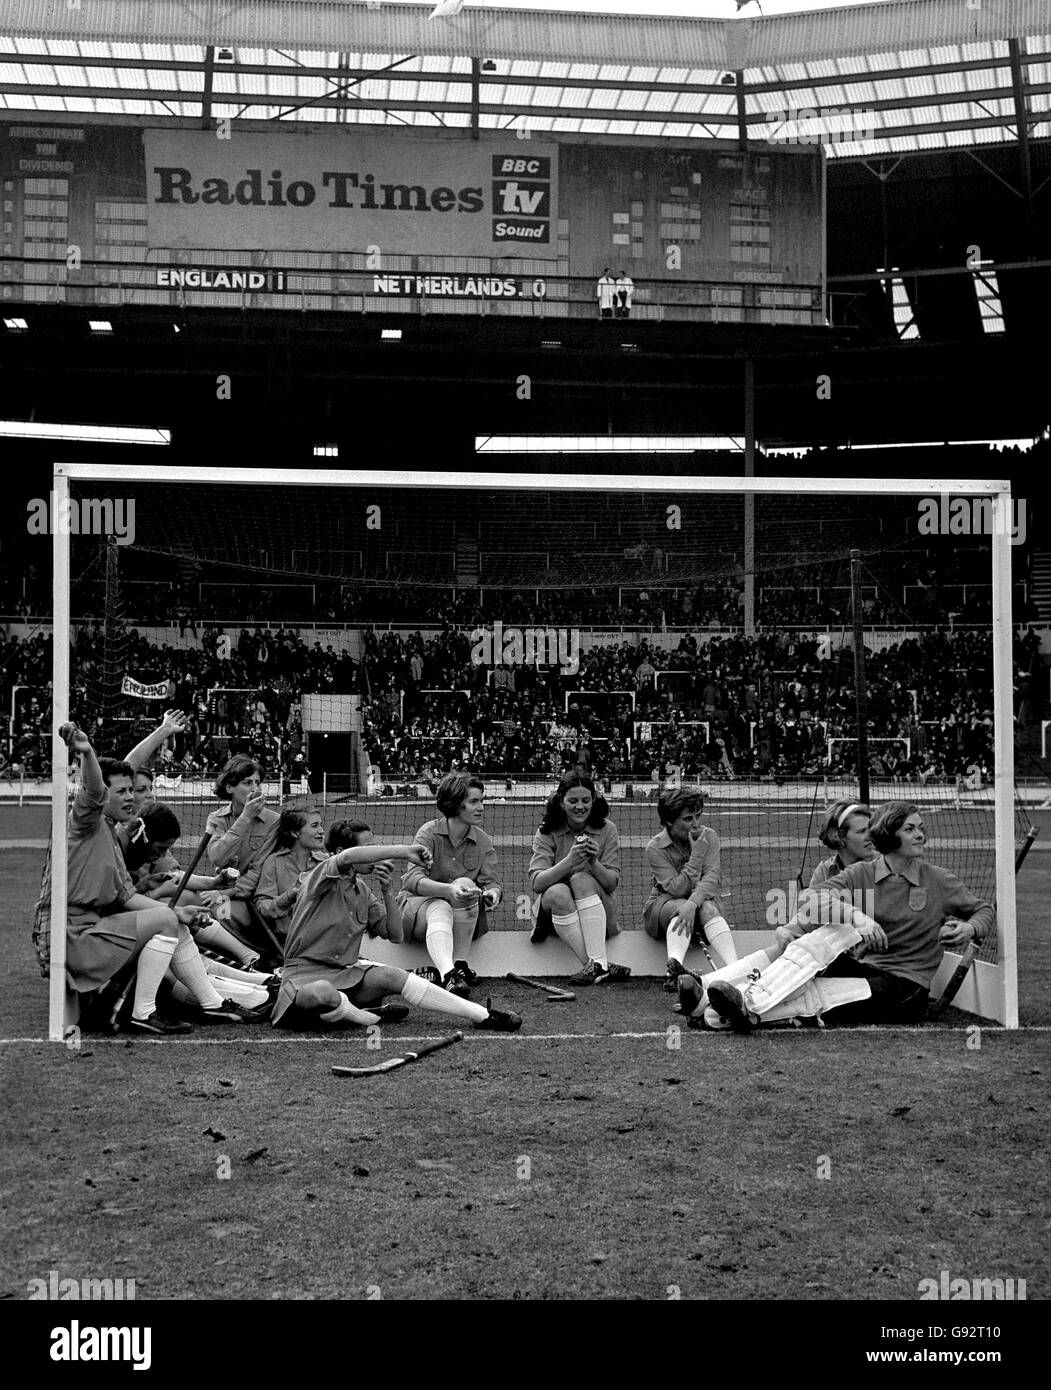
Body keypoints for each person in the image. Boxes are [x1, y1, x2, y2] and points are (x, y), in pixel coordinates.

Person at [693, 801, 994, 1031]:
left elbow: (983, 910)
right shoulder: (861, 873)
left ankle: (730, 1011)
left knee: (823, 993)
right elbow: (810, 899)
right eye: (910, 829)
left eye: (920, 827)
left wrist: (970, 929)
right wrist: (857, 918)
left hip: (905, 989)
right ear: (890, 836)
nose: (921, 835)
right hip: (868, 969)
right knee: (820, 937)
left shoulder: (938, 880)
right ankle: (726, 1000)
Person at [57, 724, 252, 1035]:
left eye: (133, 790)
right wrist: (88, 752)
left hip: (92, 928)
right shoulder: (88, 822)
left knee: (171, 919)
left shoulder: (107, 833)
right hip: (75, 936)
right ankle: (145, 1012)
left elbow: (127, 897)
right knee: (169, 921)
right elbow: (97, 787)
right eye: (121, 792)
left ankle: (217, 998)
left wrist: (177, 913)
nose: (132, 798)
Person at [271, 820, 521, 1033]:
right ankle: (368, 1017)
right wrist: (404, 851)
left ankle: (483, 1015)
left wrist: (388, 891)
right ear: (339, 850)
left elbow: (396, 935)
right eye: (368, 848)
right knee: (322, 993)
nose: (376, 854)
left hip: (344, 975)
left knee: (391, 974)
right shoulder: (322, 874)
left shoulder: (362, 889)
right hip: (303, 980)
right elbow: (346, 858)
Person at [397, 772, 503, 997]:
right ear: (455, 804)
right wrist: (448, 890)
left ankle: (458, 967)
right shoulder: (428, 832)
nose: (481, 807)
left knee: (464, 885)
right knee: (443, 903)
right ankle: (450, 974)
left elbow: (492, 883)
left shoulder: (483, 840)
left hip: (461, 915)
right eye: (474, 802)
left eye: (482, 801)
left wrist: (493, 894)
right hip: (418, 912)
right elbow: (412, 879)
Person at [528, 771, 630, 985]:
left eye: (585, 800)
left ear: (594, 799)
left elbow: (611, 884)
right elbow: (537, 883)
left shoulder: (607, 829)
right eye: (572, 801)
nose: (580, 806)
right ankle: (599, 964)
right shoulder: (547, 831)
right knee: (558, 891)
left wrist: (593, 862)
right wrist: (570, 860)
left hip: (597, 906)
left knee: (581, 879)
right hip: (555, 911)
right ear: (562, 802)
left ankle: (596, 966)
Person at [643, 787, 737, 991]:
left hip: (702, 904)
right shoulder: (654, 847)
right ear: (669, 821)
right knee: (680, 904)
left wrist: (692, 903)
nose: (695, 824)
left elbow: (711, 879)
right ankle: (674, 969)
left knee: (708, 909)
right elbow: (675, 889)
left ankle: (735, 969)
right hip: (664, 907)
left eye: (698, 816)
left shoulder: (709, 836)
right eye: (688, 819)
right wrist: (696, 857)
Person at [203, 755, 281, 959]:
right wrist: (245, 818)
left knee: (220, 910)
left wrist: (226, 894)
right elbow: (217, 858)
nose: (255, 789)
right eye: (247, 783)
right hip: (224, 893)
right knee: (210, 914)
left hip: (255, 896)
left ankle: (256, 959)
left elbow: (259, 872)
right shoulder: (217, 818)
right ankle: (235, 963)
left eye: (258, 783)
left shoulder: (274, 822)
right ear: (229, 787)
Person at [254, 807, 328, 945]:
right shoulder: (274, 863)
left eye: (321, 825)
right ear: (295, 833)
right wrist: (289, 896)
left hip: (324, 941)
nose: (322, 831)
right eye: (314, 826)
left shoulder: (325, 863)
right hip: (288, 945)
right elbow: (264, 908)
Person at [809, 800, 876, 886]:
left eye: (870, 830)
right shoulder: (825, 872)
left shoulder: (886, 867)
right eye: (862, 831)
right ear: (838, 836)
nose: (870, 836)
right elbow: (813, 899)